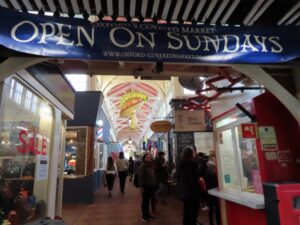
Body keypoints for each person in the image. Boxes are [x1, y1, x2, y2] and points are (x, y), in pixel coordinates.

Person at [177, 146, 202, 225]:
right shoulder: (193, 164)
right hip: (192, 192)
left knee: (187, 210)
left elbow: (179, 177)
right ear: (191, 154)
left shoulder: (180, 164)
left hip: (184, 191)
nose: (195, 153)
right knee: (193, 212)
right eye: (193, 152)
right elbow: (194, 179)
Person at [139, 153, 156, 222]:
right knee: (145, 201)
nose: (149, 158)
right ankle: (143, 216)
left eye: (150, 157)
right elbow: (141, 177)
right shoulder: (143, 166)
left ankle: (147, 214)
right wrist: (141, 187)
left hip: (151, 186)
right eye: (147, 157)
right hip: (146, 186)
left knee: (148, 201)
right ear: (144, 158)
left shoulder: (149, 165)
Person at [204, 159, 220, 225]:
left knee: (215, 209)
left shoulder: (212, 175)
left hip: (213, 194)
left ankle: (217, 221)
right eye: (214, 169)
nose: (215, 170)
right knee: (213, 209)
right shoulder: (208, 176)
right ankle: (212, 222)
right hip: (211, 195)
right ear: (211, 169)